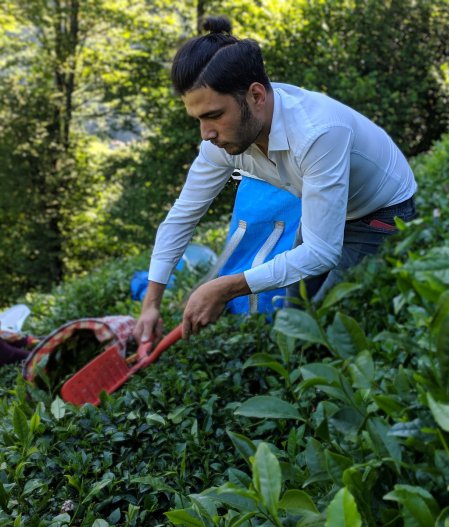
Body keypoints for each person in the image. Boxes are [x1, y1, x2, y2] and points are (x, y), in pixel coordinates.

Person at [134, 16, 417, 343]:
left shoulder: (317, 133)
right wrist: (150, 303)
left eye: (214, 115)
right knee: (291, 316)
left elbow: (321, 253)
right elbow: (183, 215)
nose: (206, 133)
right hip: (330, 210)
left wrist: (225, 288)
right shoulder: (221, 140)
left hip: (381, 211)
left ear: (256, 96)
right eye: (198, 119)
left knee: (331, 321)